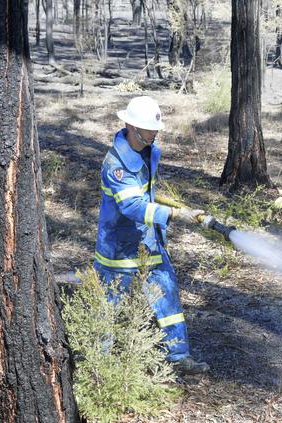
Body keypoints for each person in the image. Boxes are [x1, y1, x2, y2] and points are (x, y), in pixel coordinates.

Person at [93, 96, 210, 375]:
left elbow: (146, 192)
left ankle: (178, 356)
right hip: (118, 248)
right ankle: (101, 365)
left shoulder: (149, 151)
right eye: (150, 128)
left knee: (167, 293)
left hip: (148, 241)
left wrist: (177, 206)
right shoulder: (115, 165)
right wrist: (172, 215)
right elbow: (132, 205)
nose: (156, 132)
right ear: (132, 127)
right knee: (108, 305)